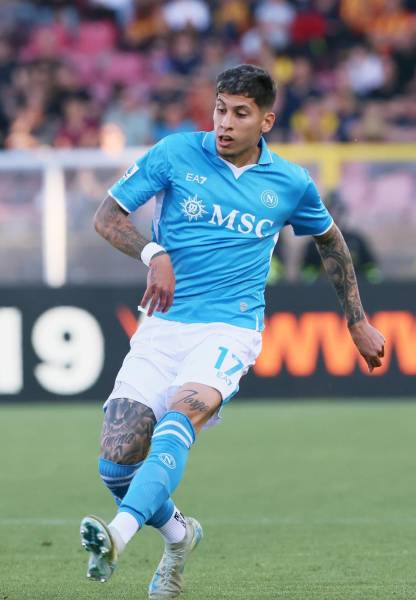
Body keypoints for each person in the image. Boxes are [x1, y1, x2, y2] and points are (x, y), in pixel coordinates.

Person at [81, 64, 385, 599]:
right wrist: (154, 253)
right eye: (220, 109)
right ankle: (180, 536)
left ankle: (119, 535)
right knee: (116, 463)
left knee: (183, 413)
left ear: (265, 120)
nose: (224, 123)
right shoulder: (175, 153)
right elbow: (107, 216)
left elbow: (331, 244)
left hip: (230, 328)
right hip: (163, 324)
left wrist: (356, 320)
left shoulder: (290, 183)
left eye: (240, 114)